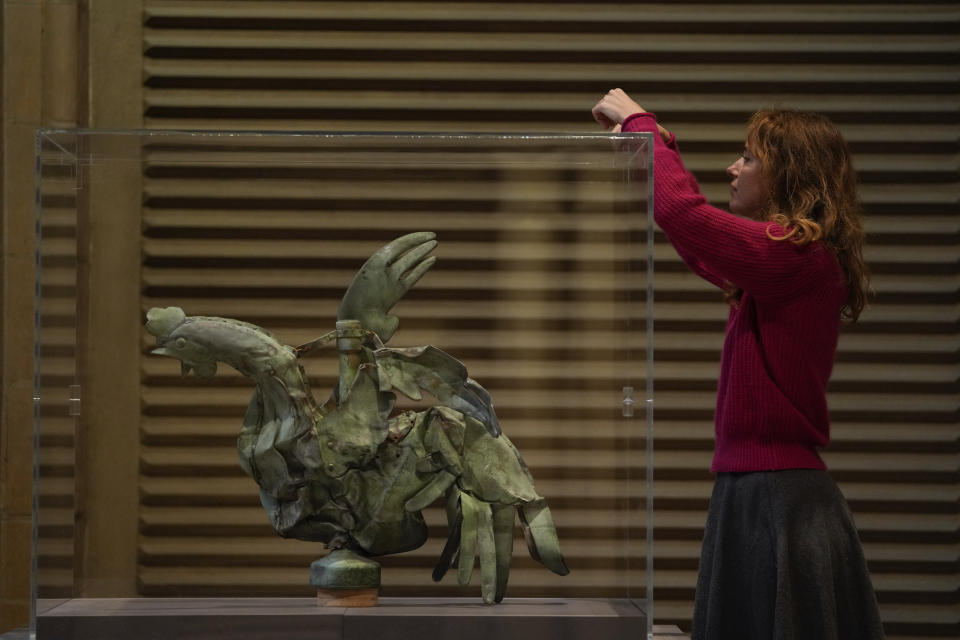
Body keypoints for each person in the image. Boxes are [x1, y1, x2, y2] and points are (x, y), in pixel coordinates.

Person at [591, 89, 884, 640]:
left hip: (776, 496)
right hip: (761, 490)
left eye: (748, 158)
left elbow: (684, 213)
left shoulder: (796, 258)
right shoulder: (789, 263)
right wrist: (653, 146)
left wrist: (642, 125)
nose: (734, 167)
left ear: (788, 176)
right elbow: (692, 239)